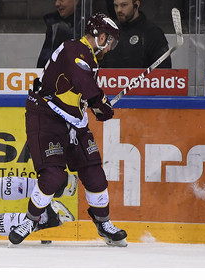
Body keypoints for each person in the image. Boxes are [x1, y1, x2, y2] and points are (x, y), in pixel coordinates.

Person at [9, 13, 128, 247]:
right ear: (101, 36)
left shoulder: (90, 57)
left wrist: (97, 105)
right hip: (46, 115)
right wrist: (99, 101)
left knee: (94, 172)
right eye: (110, 41)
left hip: (74, 119)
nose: (111, 47)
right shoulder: (74, 49)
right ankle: (32, 219)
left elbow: (81, 91)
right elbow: (84, 83)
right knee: (53, 175)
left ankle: (103, 224)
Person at [100, 0, 171, 68]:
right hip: (113, 79)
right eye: (116, 6)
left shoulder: (152, 33)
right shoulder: (111, 33)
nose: (119, 10)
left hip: (144, 80)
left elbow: (164, 72)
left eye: (124, 5)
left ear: (136, 5)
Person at [37, 0, 81, 68]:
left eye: (62, 0)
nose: (57, 4)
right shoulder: (54, 25)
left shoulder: (86, 24)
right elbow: (44, 63)